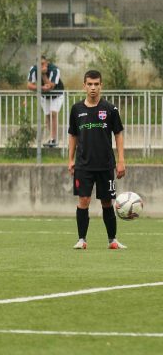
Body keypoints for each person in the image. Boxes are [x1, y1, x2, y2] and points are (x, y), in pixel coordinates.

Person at [68, 70, 126, 250]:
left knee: (107, 202)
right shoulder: (76, 109)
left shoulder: (110, 109)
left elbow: (118, 134)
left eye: (96, 84)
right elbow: (73, 135)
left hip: (105, 164)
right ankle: (81, 239)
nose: (93, 88)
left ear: (101, 85)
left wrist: (121, 160)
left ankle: (112, 240)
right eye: (90, 84)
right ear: (84, 86)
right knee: (83, 200)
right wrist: (70, 159)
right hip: (84, 165)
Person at [28, 55, 64, 147]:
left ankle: (53, 139)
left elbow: (50, 86)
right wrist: (40, 88)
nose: (41, 66)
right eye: (39, 64)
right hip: (44, 96)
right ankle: (52, 137)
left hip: (57, 95)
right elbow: (29, 85)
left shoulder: (55, 70)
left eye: (43, 64)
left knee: (53, 113)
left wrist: (43, 74)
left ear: (47, 63)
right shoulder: (33, 69)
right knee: (48, 116)